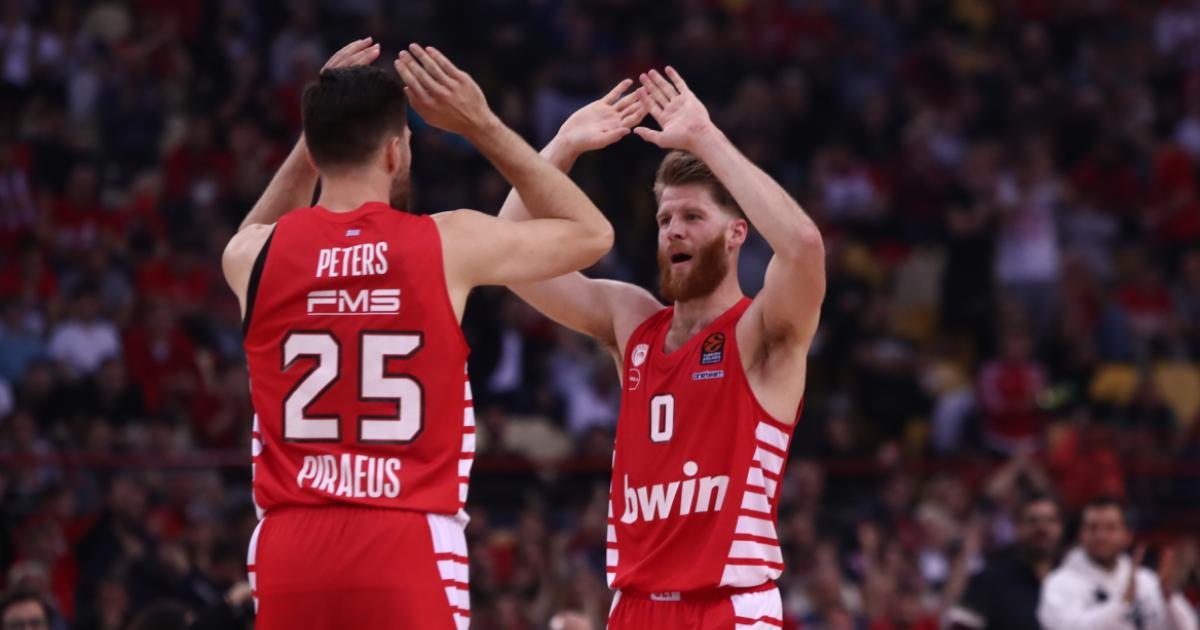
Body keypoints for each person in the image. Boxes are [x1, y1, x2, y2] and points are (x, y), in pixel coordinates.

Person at [221, 39, 615, 629]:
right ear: (394, 152)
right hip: (404, 535)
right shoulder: (445, 241)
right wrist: (481, 125)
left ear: (316, 149)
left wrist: (316, 133)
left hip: (290, 541)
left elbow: (252, 233)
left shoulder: (252, 255)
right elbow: (592, 233)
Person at [499, 67, 825, 628]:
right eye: (665, 218)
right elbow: (509, 254)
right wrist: (563, 146)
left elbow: (802, 245)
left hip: (726, 606)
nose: (673, 229)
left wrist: (706, 140)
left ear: (736, 233)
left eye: (693, 217)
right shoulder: (632, 321)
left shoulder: (761, 332)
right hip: (634, 605)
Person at [1038, 496, 1198, 630]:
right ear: (1081, 535)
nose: (1101, 536)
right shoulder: (1059, 583)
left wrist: (1168, 596)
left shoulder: (1146, 581)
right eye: (1093, 528)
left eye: (1110, 528)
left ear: (1127, 536)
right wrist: (1121, 604)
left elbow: (1189, 627)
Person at [946, 494, 1064, 630]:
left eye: (1051, 521)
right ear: (1018, 528)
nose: (1042, 528)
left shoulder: (1072, 581)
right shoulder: (988, 581)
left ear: (1061, 528)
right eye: (1033, 521)